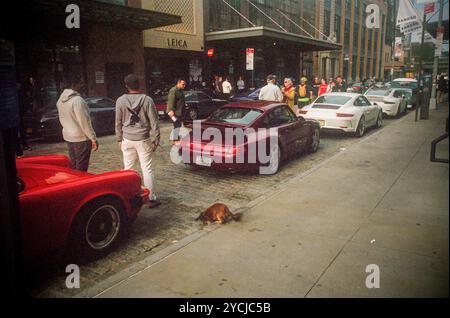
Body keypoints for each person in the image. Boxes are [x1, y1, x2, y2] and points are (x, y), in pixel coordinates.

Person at [116, 74, 161, 208]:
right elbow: (154, 121)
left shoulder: (120, 101)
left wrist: (119, 138)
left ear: (126, 86)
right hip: (143, 139)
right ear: (139, 85)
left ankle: (127, 196)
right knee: (147, 168)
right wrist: (156, 138)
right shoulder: (147, 100)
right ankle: (151, 197)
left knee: (128, 168)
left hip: (127, 138)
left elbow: (117, 122)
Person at [56, 76, 98, 172]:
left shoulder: (60, 100)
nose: (83, 85)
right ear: (73, 84)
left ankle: (73, 182)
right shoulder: (78, 100)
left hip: (68, 136)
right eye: (81, 83)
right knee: (81, 167)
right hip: (81, 138)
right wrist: (93, 138)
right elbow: (84, 122)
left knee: (74, 164)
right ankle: (80, 184)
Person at [167, 79, 187, 145]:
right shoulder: (173, 90)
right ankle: (175, 140)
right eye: (183, 84)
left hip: (179, 112)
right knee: (176, 125)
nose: (184, 86)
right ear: (178, 83)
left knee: (178, 125)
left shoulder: (181, 91)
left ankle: (176, 139)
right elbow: (171, 101)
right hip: (174, 112)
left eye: (184, 84)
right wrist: (171, 110)